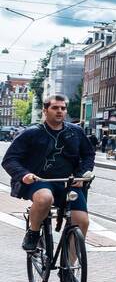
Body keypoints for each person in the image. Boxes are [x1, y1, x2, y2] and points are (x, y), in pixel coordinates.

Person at [2, 94, 95, 253]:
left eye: (63, 108)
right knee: (45, 197)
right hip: (39, 181)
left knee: (82, 221)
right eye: (55, 108)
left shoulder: (76, 132)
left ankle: (71, 269)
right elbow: (10, 159)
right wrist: (24, 175)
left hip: (69, 182)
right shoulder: (31, 133)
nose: (60, 111)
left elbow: (88, 155)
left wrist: (82, 174)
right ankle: (33, 232)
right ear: (45, 111)